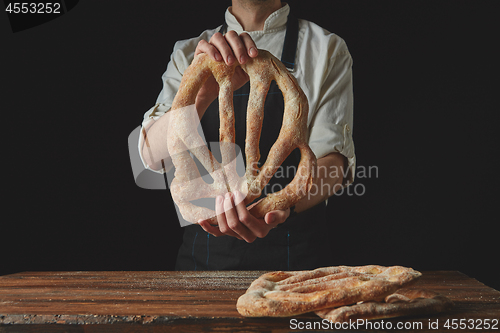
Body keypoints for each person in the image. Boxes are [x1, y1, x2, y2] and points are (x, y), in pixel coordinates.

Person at [138, 0, 355, 270]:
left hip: (297, 266)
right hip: (201, 267)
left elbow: (335, 164)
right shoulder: (188, 54)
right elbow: (150, 157)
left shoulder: (327, 49)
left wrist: (284, 205)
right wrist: (203, 94)